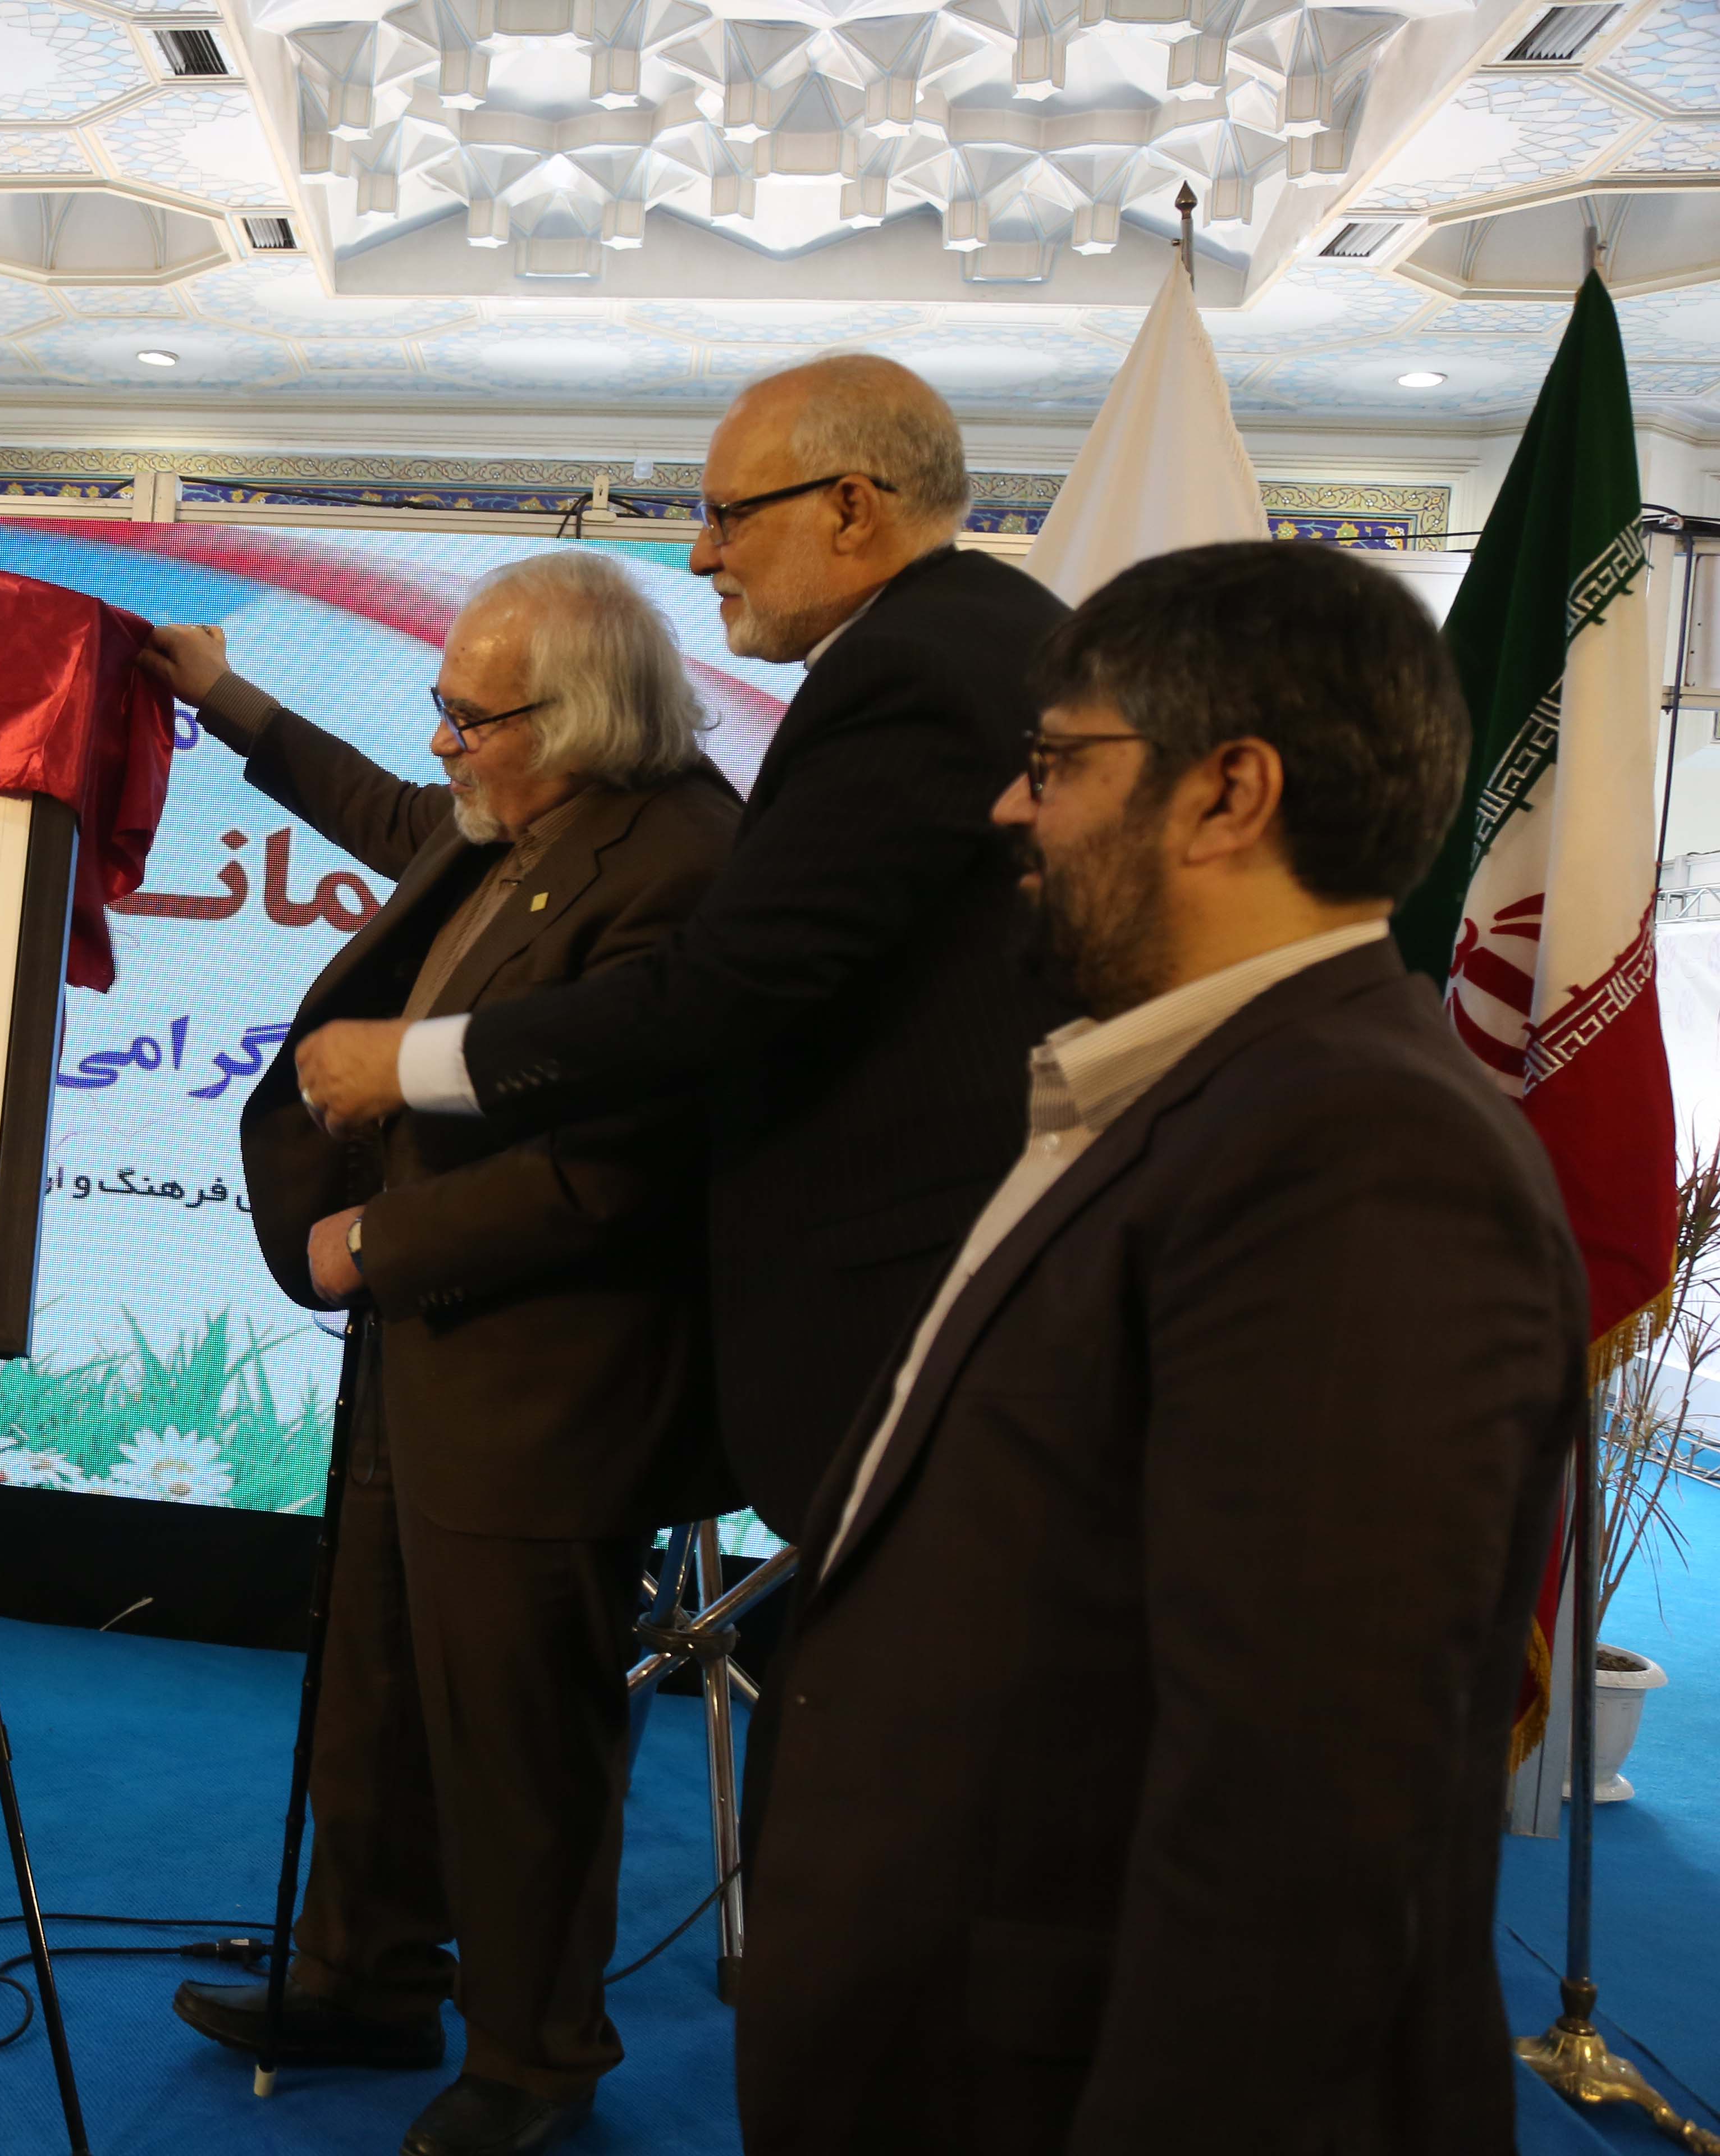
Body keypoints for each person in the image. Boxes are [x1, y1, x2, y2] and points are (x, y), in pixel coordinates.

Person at [738, 541, 1582, 2152]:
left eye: (1054, 763)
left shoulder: (1356, 1154)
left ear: (1226, 794)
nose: (1010, 810)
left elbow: (1302, 1823)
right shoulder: (1197, 1096)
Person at [140, 552, 742, 2156]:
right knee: (379, 1687)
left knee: (518, 1735)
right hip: (433, 1351)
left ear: (584, 712)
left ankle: (539, 2061)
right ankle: (364, 1980)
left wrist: (375, 1245)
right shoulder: (522, 817)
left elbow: (622, 1170)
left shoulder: (681, 864)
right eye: (442, 710)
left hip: (552, 1377)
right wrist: (226, 698)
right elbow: (398, 827)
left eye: (470, 722)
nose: (441, 751)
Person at [287, 354, 1071, 1545]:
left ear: (851, 507)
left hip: (876, 1321)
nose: (704, 555)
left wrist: (409, 1067)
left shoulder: (898, 675)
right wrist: (232, 702)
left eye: (725, 516)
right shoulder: (978, 635)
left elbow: (725, 995)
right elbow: (408, 824)